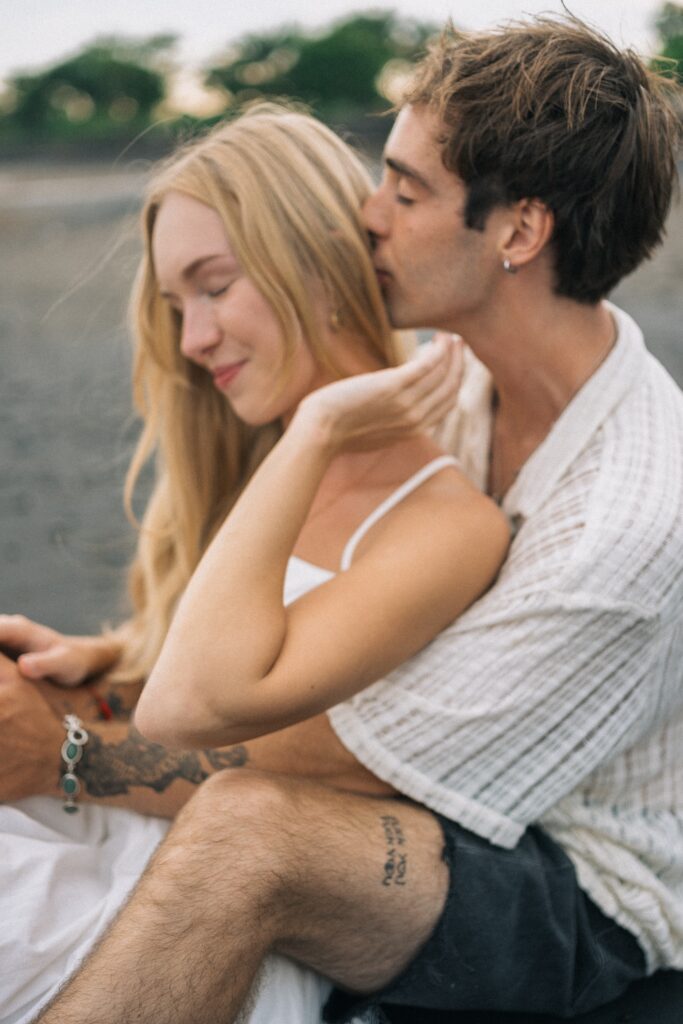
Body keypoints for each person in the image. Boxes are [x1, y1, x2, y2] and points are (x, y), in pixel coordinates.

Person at [3, 14, 683, 1024]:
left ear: (515, 232)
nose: (366, 215)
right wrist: (107, 665)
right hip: (435, 776)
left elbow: (359, 759)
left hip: (571, 879)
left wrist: (69, 749)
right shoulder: (449, 378)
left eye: (404, 191)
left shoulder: (624, 523)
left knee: (248, 837)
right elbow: (332, 640)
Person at [0, 103, 509, 1024]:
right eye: (175, 306)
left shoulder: (439, 522)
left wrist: (63, 748)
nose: (193, 342)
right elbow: (199, 681)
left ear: (316, 263)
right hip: (131, 839)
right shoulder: (258, 473)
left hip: (195, 914)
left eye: (214, 286)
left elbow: (321, 760)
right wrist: (105, 667)